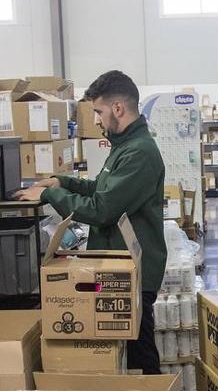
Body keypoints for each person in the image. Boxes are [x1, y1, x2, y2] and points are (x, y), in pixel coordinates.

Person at [16, 70, 166, 374]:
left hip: (133, 271)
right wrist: (61, 182)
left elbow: (102, 209)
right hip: (118, 265)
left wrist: (48, 196)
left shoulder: (140, 153)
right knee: (126, 353)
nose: (96, 120)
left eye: (98, 111)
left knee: (140, 356)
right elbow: (101, 187)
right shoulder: (125, 146)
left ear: (118, 109)